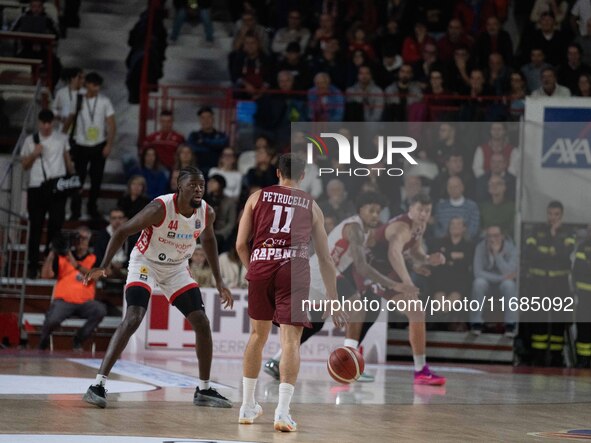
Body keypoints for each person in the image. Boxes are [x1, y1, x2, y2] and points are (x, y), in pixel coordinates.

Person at [82, 166, 234, 408]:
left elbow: (209, 240)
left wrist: (219, 281)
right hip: (145, 263)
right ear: (180, 187)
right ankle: (98, 384)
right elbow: (122, 231)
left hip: (176, 268)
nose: (198, 189)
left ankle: (204, 389)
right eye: (193, 185)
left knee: (202, 323)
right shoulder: (159, 208)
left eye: (202, 186)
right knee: (133, 317)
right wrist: (104, 265)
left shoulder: (207, 213)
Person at [236, 153, 347, 432]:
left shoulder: (256, 197)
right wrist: (334, 301)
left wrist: (254, 270)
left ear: (277, 173)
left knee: (257, 336)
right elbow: (325, 259)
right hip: (293, 269)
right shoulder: (312, 205)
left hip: (261, 264)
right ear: (302, 176)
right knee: (290, 341)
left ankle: (248, 405)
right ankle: (282, 413)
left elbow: (240, 244)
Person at [263, 192, 417, 382]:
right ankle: (351, 364)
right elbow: (361, 266)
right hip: (322, 272)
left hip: (321, 272)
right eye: (371, 210)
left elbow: (362, 262)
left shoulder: (364, 231)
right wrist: (395, 284)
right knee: (358, 309)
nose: (376, 215)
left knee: (316, 323)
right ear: (361, 210)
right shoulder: (354, 228)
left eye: (378, 211)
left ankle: (275, 361)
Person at [368, 193, 446, 385]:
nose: (423, 214)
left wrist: (427, 259)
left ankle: (421, 369)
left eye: (427, 211)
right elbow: (393, 253)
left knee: (416, 312)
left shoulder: (420, 225)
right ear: (410, 209)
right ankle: (420, 370)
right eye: (420, 209)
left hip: (386, 270)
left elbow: (414, 251)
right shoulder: (401, 227)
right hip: (371, 269)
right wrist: (407, 281)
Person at [21, 109, 75, 279]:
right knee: (35, 227)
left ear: (53, 123)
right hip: (36, 186)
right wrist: (34, 154)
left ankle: (51, 262)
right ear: (39, 123)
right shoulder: (31, 140)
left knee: (56, 226)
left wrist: (73, 179)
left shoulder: (61, 138)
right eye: (43, 122)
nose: (46, 126)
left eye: (49, 122)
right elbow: (24, 165)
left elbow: (67, 161)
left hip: (57, 187)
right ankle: (32, 265)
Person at [524, 201, 575, 367]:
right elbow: (531, 253)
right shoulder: (537, 230)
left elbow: (565, 252)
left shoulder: (568, 232)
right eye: (550, 214)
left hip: (559, 283)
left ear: (562, 216)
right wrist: (553, 250)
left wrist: (552, 240)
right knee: (538, 318)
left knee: (559, 319)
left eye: (556, 215)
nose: (553, 218)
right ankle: (537, 356)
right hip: (539, 282)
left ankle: (555, 356)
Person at [39, 226, 106, 350]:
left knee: (100, 310)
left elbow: (96, 276)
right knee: (52, 319)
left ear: (89, 240)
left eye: (84, 238)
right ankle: (43, 342)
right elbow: (45, 275)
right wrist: (52, 253)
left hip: (85, 303)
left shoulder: (94, 258)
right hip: (63, 301)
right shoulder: (62, 257)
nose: (80, 241)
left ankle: (78, 339)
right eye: (78, 238)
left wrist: (76, 265)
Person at [65, 72, 116, 220]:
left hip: (98, 145)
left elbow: (112, 124)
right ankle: (76, 209)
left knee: (96, 179)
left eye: (98, 85)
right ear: (87, 84)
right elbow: (70, 118)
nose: (96, 88)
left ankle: (92, 207)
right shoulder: (78, 98)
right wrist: (63, 137)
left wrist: (109, 144)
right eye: (94, 85)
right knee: (77, 179)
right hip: (80, 144)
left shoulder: (104, 101)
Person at [470, 225, 518, 337]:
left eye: (496, 236)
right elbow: (477, 272)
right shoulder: (481, 247)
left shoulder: (511, 248)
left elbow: (510, 271)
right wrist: (501, 278)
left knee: (510, 285)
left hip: (503, 284)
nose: (492, 239)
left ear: (502, 236)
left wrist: (497, 255)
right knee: (478, 283)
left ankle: (510, 325)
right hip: (488, 282)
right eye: (489, 236)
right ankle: (476, 323)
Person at [186, 107, 229, 175]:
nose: (206, 120)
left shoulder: (221, 135)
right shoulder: (194, 135)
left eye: (209, 117)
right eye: (203, 118)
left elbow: (222, 144)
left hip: (218, 171)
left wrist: (203, 142)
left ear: (213, 119)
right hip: (197, 172)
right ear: (200, 120)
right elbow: (193, 149)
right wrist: (214, 147)